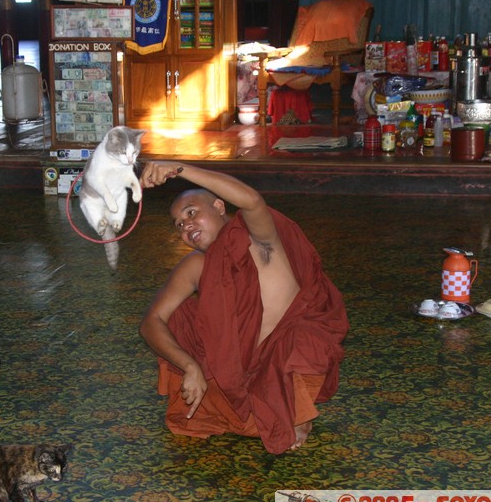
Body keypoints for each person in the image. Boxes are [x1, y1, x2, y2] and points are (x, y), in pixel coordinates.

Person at [138, 162, 348, 454]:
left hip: (282, 359)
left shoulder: (260, 240)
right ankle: (268, 408)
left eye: (191, 213)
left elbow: (251, 201)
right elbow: (152, 321)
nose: (186, 226)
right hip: (236, 373)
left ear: (219, 205)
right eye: (179, 225)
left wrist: (178, 169)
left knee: (304, 336)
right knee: (181, 316)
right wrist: (190, 365)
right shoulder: (197, 266)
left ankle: (296, 411)